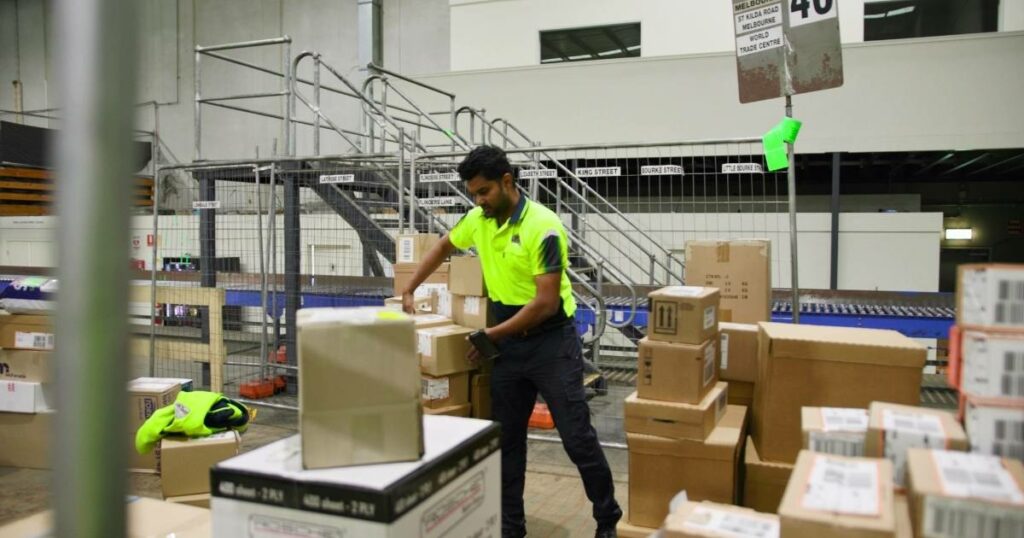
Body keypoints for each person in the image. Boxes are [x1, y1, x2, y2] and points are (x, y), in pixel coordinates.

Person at [401, 146, 622, 538]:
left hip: (551, 342)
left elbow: (545, 303)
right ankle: (510, 528)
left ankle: (607, 519)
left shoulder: (543, 226)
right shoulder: (478, 220)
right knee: (508, 441)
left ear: (507, 181)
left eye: (484, 192)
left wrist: (490, 335)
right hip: (508, 345)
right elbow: (441, 245)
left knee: (577, 437)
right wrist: (410, 288)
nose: (479, 201)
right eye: (473, 194)